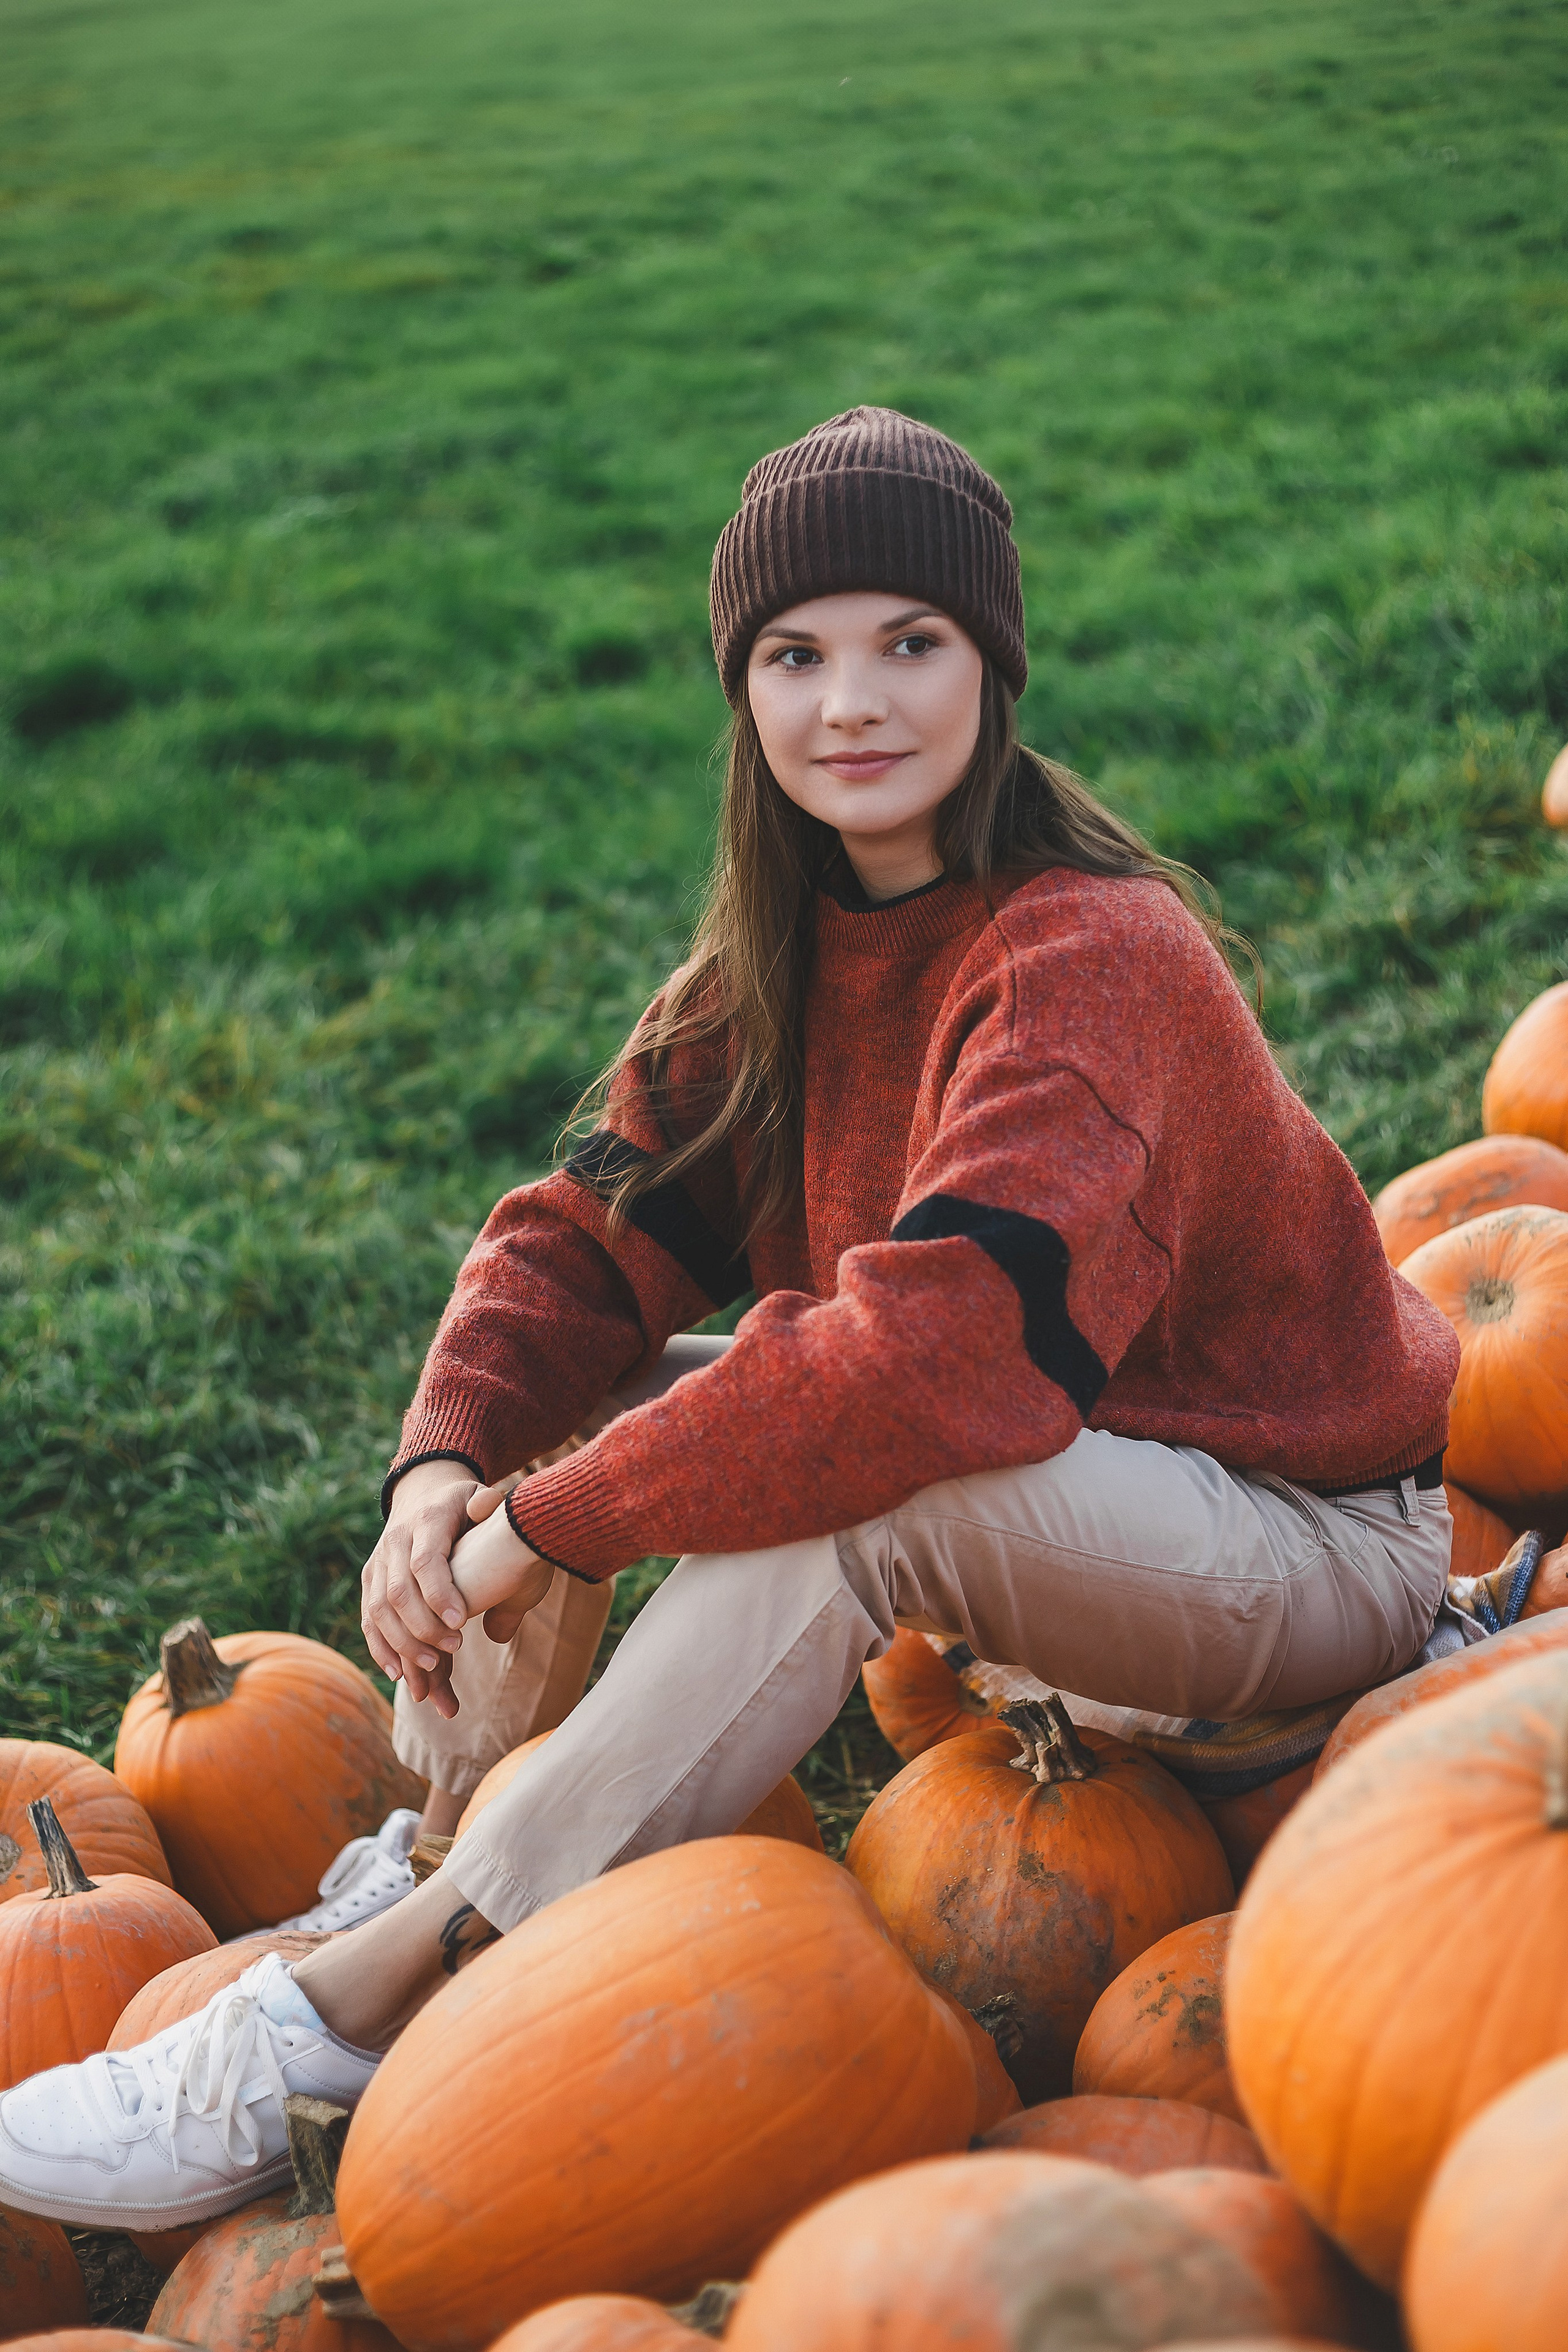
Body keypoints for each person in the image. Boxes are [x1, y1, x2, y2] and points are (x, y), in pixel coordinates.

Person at [0, 407, 1458, 2229]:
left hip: (1311, 1552)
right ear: (746, 691)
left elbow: (934, 1371)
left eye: (909, 644)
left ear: (993, 669)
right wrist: (447, 1475)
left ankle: (389, 1998)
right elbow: (569, 1246)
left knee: (854, 1473)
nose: (853, 700)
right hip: (1078, 1519)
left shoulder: (1094, 961)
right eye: (797, 655)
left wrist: (561, 1523)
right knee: (586, 1418)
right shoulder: (784, 962)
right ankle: (450, 1849)